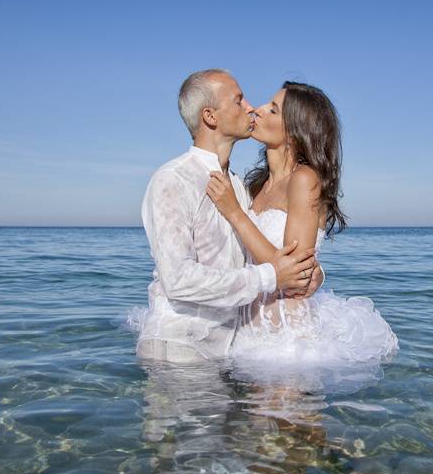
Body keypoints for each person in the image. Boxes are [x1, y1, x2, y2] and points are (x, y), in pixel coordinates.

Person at [132, 69, 324, 363]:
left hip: (229, 351)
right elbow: (179, 279)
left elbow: (260, 247)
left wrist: (312, 273)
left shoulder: (239, 187)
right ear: (210, 116)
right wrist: (271, 276)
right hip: (179, 348)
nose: (251, 107)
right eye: (238, 100)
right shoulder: (173, 179)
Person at [206, 81, 399, 364]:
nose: (257, 110)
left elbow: (292, 279)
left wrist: (234, 213)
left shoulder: (304, 179)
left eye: (273, 110)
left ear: (295, 133)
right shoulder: (258, 185)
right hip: (245, 332)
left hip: (283, 336)